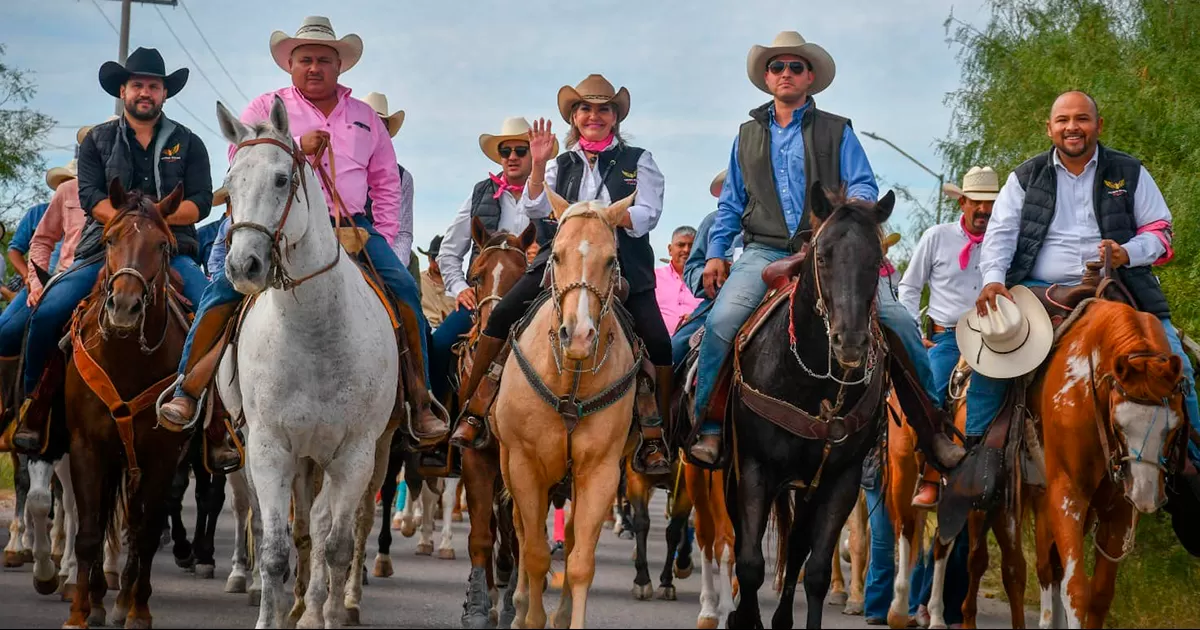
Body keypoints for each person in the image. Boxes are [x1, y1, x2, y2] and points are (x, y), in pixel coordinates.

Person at [156, 16, 449, 449]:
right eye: (306, 59)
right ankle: (189, 389)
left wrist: (383, 240)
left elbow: (386, 184)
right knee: (223, 290)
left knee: (404, 288)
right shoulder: (263, 108)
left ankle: (419, 401)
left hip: (350, 225)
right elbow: (245, 166)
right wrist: (297, 148)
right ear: (290, 64)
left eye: (323, 60)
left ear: (339, 66)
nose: (314, 67)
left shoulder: (366, 118)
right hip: (278, 225)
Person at [686, 31, 964, 472]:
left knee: (899, 322)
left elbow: (864, 185)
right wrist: (717, 253)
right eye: (777, 66)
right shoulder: (746, 136)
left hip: (831, 249)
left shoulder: (838, 130)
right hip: (763, 249)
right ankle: (711, 427)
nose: (786, 73)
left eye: (796, 67)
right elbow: (731, 204)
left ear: (810, 77)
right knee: (721, 322)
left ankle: (931, 430)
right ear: (766, 77)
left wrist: (843, 220)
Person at [963, 90, 1199, 481]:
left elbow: (1161, 231)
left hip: (1119, 286)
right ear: (1050, 128)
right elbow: (1000, 235)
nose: (1072, 127)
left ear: (1098, 125)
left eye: (1082, 119)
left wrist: (1126, 252)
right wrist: (993, 280)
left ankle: (1191, 465)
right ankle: (978, 460)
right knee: (991, 355)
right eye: (1063, 120)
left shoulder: (1129, 171)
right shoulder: (1024, 176)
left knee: (1177, 365)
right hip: (1040, 290)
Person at [452, 75, 672, 475]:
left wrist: (604, 217)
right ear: (574, 117)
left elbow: (649, 213)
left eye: (603, 109)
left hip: (622, 266)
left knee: (659, 341)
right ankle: (474, 409)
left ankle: (657, 435)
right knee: (501, 317)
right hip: (560, 264)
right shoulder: (559, 163)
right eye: (585, 108)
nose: (593, 116)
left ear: (615, 117)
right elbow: (535, 209)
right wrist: (537, 165)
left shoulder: (640, 160)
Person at [11, 47, 215, 457]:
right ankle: (35, 405)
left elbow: (201, 202)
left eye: (153, 86)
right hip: (104, 252)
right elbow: (90, 197)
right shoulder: (97, 141)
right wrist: (132, 223)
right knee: (48, 312)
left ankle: (217, 425)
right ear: (123, 91)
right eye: (137, 85)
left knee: (214, 314)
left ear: (164, 93)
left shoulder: (189, 143)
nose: (145, 92)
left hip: (171, 251)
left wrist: (153, 224)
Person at [898, 166, 998, 508]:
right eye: (976, 202)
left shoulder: (1004, 240)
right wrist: (914, 331)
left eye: (990, 203)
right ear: (962, 203)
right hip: (948, 337)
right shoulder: (937, 237)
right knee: (933, 395)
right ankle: (930, 476)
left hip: (994, 337)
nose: (983, 210)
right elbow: (909, 287)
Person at [430, 116, 545, 401]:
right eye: (506, 151)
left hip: (534, 299)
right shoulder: (480, 193)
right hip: (484, 297)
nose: (512, 157)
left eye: (521, 150)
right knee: (440, 344)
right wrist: (461, 288)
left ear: (534, 155)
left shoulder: (548, 194)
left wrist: (543, 252)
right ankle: (437, 413)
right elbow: (449, 251)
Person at [669, 170, 742, 365]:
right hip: (717, 303)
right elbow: (692, 267)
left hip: (771, 298)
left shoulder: (776, 221)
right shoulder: (712, 222)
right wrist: (713, 278)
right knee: (676, 348)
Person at [654, 226, 702, 335]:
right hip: (654, 342)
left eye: (691, 246)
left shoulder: (707, 281)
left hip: (696, 341)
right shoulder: (653, 277)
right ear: (670, 249)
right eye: (681, 245)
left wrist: (697, 319)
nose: (686, 250)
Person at [417, 236, 457, 327]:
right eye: (435, 258)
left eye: (442, 259)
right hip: (424, 327)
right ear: (429, 258)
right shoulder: (417, 280)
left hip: (452, 330)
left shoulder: (458, 285)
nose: (438, 263)